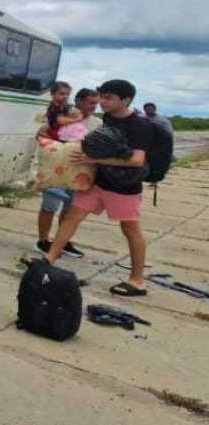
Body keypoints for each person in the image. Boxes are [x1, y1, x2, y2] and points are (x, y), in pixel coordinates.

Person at [46, 79, 152, 296]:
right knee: (73, 216)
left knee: (130, 229)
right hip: (99, 182)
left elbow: (137, 160)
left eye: (108, 98)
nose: (102, 102)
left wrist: (95, 160)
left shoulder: (140, 126)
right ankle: (48, 259)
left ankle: (138, 280)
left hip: (124, 186)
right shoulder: (109, 118)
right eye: (101, 97)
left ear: (125, 100)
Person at [35, 87, 101, 258]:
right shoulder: (63, 116)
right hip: (57, 171)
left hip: (80, 174)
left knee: (70, 210)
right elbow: (41, 133)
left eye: (96, 103)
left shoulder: (97, 123)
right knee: (49, 207)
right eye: (90, 103)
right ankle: (43, 241)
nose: (94, 106)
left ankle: (61, 242)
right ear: (78, 101)